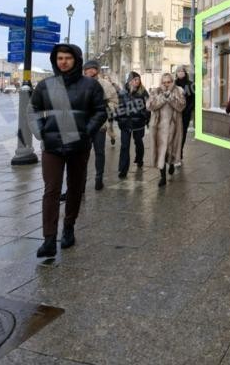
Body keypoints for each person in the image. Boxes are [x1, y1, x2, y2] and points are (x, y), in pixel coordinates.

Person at [30, 43, 107, 258]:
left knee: (75, 188)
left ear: (76, 60)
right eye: (60, 58)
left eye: (68, 58)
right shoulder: (46, 85)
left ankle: (69, 228)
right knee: (51, 190)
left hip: (78, 146)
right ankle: (48, 239)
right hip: (52, 146)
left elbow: (100, 111)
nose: (63, 62)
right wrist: (41, 132)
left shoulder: (90, 85)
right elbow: (33, 110)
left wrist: (86, 132)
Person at [82, 60, 119, 191]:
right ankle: (81, 182)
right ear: (84, 71)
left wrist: (104, 108)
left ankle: (99, 179)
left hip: (99, 125)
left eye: (93, 68)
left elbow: (115, 102)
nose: (90, 71)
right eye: (88, 69)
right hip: (84, 125)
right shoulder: (79, 83)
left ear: (97, 70)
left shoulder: (106, 84)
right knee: (83, 155)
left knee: (99, 152)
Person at [146, 72, 185, 187]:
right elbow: (150, 106)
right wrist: (163, 98)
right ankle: (162, 177)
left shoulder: (179, 91)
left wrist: (171, 98)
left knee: (171, 150)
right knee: (161, 152)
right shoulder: (156, 91)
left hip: (173, 127)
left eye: (169, 82)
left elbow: (181, 106)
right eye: (164, 82)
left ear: (172, 81)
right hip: (159, 128)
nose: (166, 84)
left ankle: (171, 164)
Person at [116, 71, 149, 177]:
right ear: (129, 81)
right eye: (135, 79)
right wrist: (119, 119)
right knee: (124, 146)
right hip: (125, 123)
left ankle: (139, 159)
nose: (137, 81)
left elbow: (148, 107)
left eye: (138, 79)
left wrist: (144, 116)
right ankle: (123, 169)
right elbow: (118, 107)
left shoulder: (143, 92)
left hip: (138, 123)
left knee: (138, 142)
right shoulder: (122, 92)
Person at [173, 66, 195, 167]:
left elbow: (193, 100)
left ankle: (179, 152)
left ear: (185, 73)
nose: (180, 73)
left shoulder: (190, 84)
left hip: (185, 114)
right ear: (176, 73)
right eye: (178, 71)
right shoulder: (173, 84)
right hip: (174, 113)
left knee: (182, 133)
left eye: (182, 71)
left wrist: (187, 110)